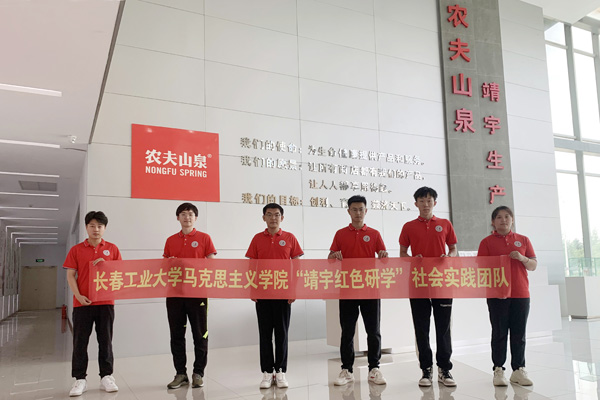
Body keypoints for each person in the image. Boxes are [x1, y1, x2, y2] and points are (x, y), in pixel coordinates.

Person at [399, 187, 458, 387]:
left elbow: (453, 249)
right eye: (422, 201)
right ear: (416, 203)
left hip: (442, 281)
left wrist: (448, 257)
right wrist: (411, 259)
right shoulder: (408, 226)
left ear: (435, 202)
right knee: (421, 328)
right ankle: (426, 369)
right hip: (419, 283)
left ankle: (445, 369)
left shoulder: (445, 224)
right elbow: (402, 254)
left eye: (429, 200)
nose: (426, 204)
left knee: (443, 328)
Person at [329, 195, 388, 386]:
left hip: (370, 288)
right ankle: (347, 370)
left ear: (366, 211)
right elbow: (330, 259)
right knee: (347, 331)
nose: (357, 213)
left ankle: (374, 368)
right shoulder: (340, 234)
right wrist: (334, 256)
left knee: (373, 331)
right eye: (354, 209)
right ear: (348, 211)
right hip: (348, 288)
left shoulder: (374, 233)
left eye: (361, 209)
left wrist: (383, 256)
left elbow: (384, 260)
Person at [477, 206, 537, 387]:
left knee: (519, 333)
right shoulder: (486, 242)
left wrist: (522, 258)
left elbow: (533, 265)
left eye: (507, 216)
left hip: (520, 293)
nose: (503, 220)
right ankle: (498, 370)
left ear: (512, 220)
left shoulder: (523, 240)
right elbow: (480, 268)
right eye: (499, 217)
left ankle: (518, 369)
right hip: (497, 295)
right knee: (499, 333)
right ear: (493, 222)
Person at [64, 211, 122, 397]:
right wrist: (78, 296)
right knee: (80, 341)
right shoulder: (76, 250)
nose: (96, 229)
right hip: (82, 303)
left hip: (106, 302)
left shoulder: (112, 249)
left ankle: (107, 376)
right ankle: (80, 379)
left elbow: (120, 273)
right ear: (86, 227)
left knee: (105, 340)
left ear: (105, 228)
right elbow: (70, 275)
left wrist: (107, 265)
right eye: (92, 226)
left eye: (100, 226)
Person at [246, 203, 303, 389]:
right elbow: (251, 265)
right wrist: (252, 288)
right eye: (269, 214)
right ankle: (266, 372)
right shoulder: (257, 238)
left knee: (281, 334)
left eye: (277, 215)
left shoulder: (289, 238)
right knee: (264, 334)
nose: (273, 218)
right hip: (263, 293)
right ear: (263, 218)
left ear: (282, 218)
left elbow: (297, 265)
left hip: (283, 293)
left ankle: (280, 371)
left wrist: (294, 289)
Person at [164, 203, 217, 389]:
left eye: (191, 214)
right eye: (183, 214)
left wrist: (191, 265)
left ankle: (198, 373)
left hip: (198, 293)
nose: (187, 217)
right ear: (177, 217)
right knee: (176, 335)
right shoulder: (170, 240)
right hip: (175, 294)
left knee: (200, 334)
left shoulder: (204, 238)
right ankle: (180, 373)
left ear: (196, 218)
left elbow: (212, 265)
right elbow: (164, 266)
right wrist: (170, 263)